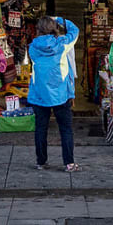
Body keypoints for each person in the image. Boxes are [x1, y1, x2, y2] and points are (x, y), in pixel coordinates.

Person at [28, 15, 81, 172]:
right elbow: (74, 30)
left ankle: (41, 162)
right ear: (54, 28)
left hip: (39, 94)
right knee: (65, 129)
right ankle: (69, 163)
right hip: (60, 94)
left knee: (40, 129)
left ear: (38, 29)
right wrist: (59, 19)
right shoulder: (62, 44)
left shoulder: (32, 47)